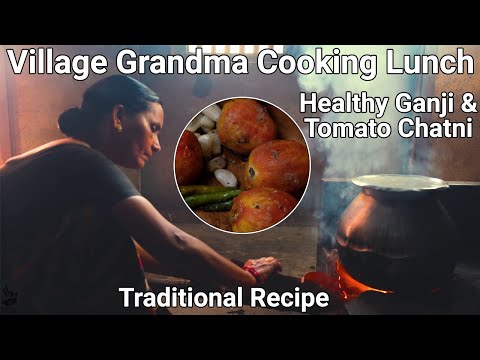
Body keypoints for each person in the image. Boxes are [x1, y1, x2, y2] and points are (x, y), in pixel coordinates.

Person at [0, 74, 282, 314]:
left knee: (111, 227)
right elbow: (173, 242)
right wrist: (249, 280)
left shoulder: (50, 155)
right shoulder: (82, 161)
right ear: (118, 116)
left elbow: (135, 244)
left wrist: (210, 271)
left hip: (16, 293)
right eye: (153, 128)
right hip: (26, 298)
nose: (157, 144)